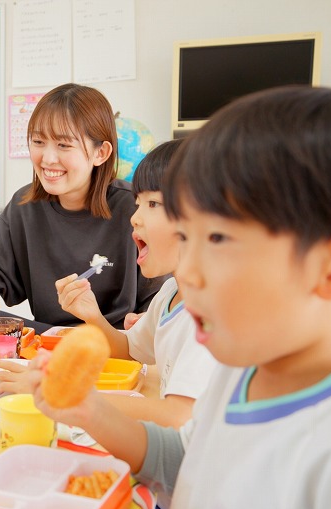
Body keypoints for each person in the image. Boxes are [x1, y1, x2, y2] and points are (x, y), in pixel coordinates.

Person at [31, 86, 331, 509]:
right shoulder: (242, 373)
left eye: (219, 238)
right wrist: (89, 410)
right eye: (188, 236)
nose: (192, 272)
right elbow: (186, 466)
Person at [0, 83, 164, 338]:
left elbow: (158, 300)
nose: (47, 158)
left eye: (64, 145)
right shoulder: (23, 206)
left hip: (114, 339)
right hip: (49, 335)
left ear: (101, 152)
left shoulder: (135, 207)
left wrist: (140, 324)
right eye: (39, 141)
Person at [48, 140, 238, 431]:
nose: (135, 218)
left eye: (153, 204)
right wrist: (93, 316)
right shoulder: (170, 293)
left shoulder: (213, 311)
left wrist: (67, 396)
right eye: (138, 204)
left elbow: (178, 417)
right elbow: (129, 349)